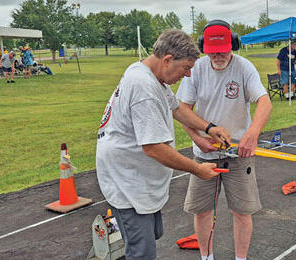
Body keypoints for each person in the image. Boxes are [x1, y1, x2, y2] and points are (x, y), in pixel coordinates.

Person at [96, 29, 231, 260]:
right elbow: (153, 148)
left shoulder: (151, 74)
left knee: (153, 232)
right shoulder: (144, 87)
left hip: (137, 176)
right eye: (186, 68)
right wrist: (198, 169)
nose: (188, 75)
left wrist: (209, 128)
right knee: (142, 251)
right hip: (128, 181)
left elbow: (177, 109)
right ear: (168, 60)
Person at [177, 20, 272, 260]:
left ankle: (241, 258)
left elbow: (264, 101)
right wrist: (196, 138)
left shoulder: (244, 67)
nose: (217, 55)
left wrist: (252, 133)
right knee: (202, 211)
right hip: (203, 154)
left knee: (242, 212)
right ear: (203, 47)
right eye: (212, 50)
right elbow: (182, 108)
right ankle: (206, 257)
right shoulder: (196, 68)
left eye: (223, 49)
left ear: (234, 44)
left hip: (239, 155)